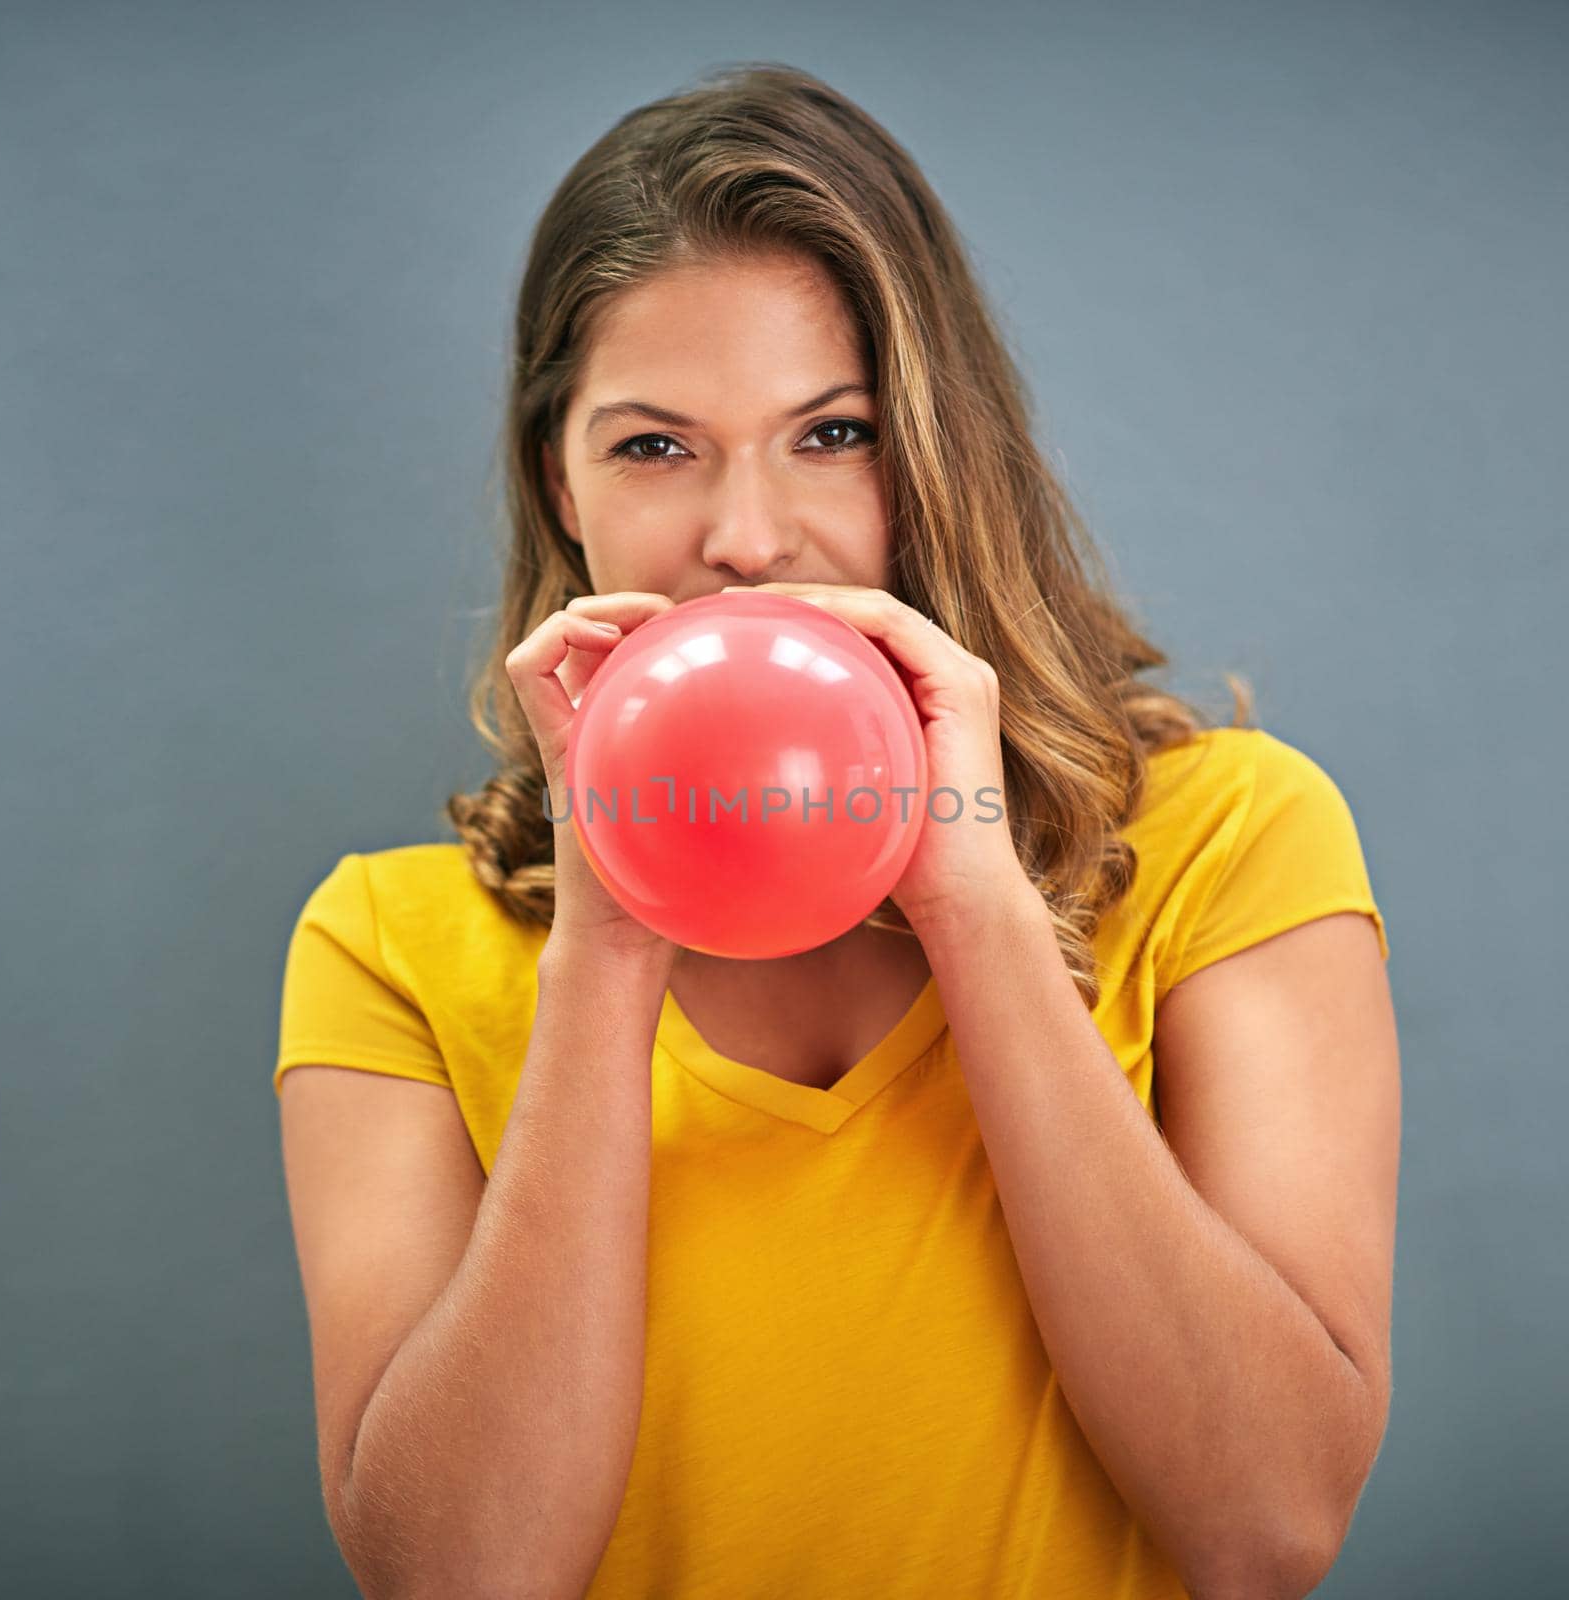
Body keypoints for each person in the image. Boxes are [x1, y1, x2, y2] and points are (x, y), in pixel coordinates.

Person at [274, 63, 1399, 1600]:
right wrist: (607, 943)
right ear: (564, 482)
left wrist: (977, 902)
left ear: (938, 452)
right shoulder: (386, 947)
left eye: (833, 434)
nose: (746, 538)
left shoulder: (1237, 837)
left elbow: (1269, 1527)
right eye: (654, 446)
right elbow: (458, 1576)